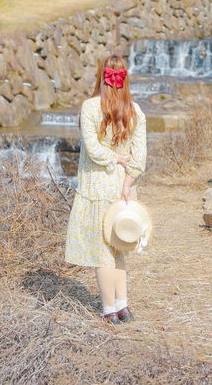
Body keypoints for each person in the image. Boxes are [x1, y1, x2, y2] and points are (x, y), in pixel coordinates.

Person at [65, 53, 148, 324]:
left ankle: (109, 310)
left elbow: (93, 149)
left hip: (97, 186)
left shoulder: (91, 107)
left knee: (103, 252)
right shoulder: (135, 112)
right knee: (119, 249)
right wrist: (128, 182)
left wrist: (113, 158)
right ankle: (124, 307)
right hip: (122, 189)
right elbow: (140, 156)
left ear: (102, 76)